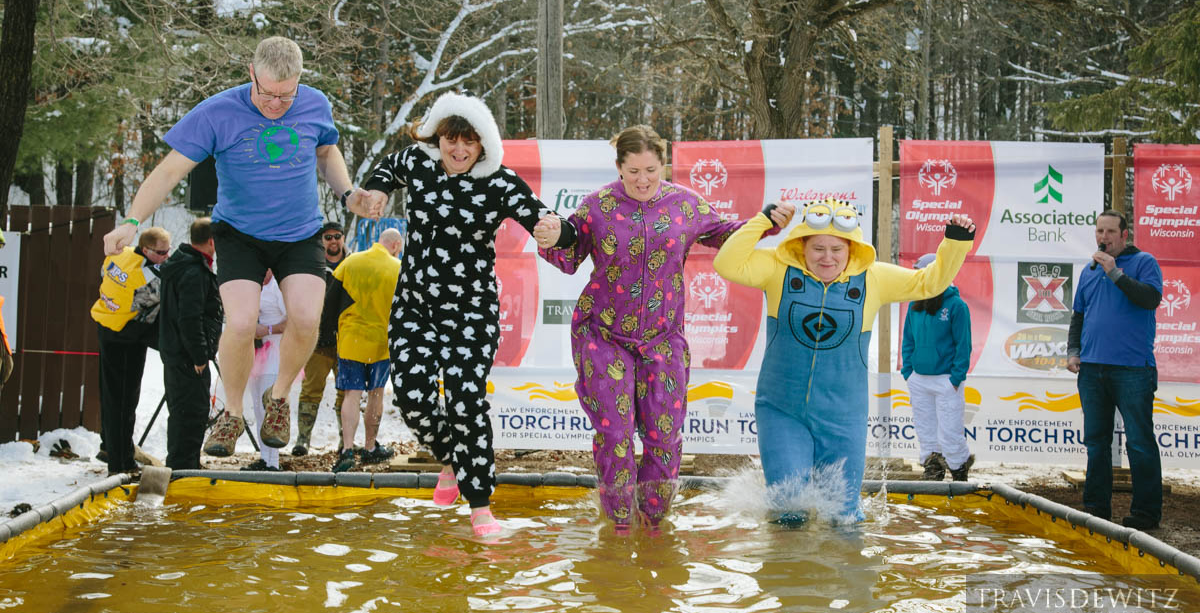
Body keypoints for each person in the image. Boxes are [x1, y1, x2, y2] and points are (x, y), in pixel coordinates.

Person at [101, 37, 364, 457]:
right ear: (251, 74)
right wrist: (132, 221)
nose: (276, 104)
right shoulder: (217, 112)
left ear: (299, 83)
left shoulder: (315, 104)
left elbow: (327, 151)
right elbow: (169, 172)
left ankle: (277, 400)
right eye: (267, 93)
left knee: (306, 316)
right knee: (241, 322)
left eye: (286, 95)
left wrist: (348, 192)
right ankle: (233, 413)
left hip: (299, 232)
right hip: (239, 233)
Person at [535, 124, 785, 533]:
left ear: (663, 164)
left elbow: (725, 234)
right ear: (619, 168)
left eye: (650, 169)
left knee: (663, 439)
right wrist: (549, 237)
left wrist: (765, 222)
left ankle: (654, 524)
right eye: (633, 171)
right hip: (603, 335)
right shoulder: (596, 206)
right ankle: (617, 523)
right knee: (615, 435)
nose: (642, 179)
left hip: (662, 340)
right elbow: (569, 250)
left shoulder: (685, 205)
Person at [354, 91, 574, 536]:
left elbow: (548, 222)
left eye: (468, 143)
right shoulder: (418, 164)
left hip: (471, 312)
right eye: (451, 140)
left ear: (483, 146)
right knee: (414, 401)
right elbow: (385, 171)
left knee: (463, 398)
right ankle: (456, 458)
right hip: (415, 307)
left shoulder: (499, 182)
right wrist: (375, 190)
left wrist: (556, 231)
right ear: (438, 139)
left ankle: (480, 506)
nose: (458, 150)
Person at [713, 198, 975, 523]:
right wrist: (763, 222)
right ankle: (783, 572)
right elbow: (727, 264)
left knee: (843, 518)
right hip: (782, 412)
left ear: (852, 248)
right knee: (788, 510)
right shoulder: (778, 271)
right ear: (801, 246)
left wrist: (954, 243)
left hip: (843, 420)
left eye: (837, 249)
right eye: (818, 248)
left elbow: (929, 282)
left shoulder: (873, 278)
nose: (828, 257)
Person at [1067, 210, 1163, 530]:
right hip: (1092, 369)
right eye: (1099, 231)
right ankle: (1096, 509)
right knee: (1096, 441)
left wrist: (1116, 274)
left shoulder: (1144, 262)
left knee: (1139, 441)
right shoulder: (1088, 270)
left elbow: (1150, 299)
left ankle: (1146, 513)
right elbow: (1078, 316)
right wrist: (1073, 351)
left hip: (1133, 369)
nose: (1103, 237)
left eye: (1110, 231)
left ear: (1125, 235)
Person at [89, 226, 171, 475]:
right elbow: (161, 301)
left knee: (111, 395)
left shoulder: (119, 255)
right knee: (124, 401)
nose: (167, 256)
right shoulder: (149, 279)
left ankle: (111, 447)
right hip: (126, 335)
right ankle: (120, 464)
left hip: (106, 325)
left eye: (169, 250)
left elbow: (104, 271)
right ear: (146, 249)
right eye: (161, 252)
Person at [326, 227, 404, 472]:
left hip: (351, 341)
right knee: (376, 394)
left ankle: (347, 450)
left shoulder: (350, 263)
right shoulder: (398, 269)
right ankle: (370, 448)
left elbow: (331, 302)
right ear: (395, 246)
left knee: (351, 394)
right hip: (381, 344)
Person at [901, 252, 973, 481]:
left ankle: (959, 468)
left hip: (946, 379)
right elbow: (908, 340)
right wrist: (908, 372)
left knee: (951, 428)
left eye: (923, 273)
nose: (919, 277)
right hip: (919, 378)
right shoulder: (916, 304)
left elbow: (964, 345)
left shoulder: (956, 305)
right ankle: (933, 468)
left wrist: (956, 377)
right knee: (925, 427)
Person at [159, 218, 222, 470]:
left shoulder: (184, 264)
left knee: (186, 410)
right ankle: (182, 466)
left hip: (178, 352)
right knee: (191, 412)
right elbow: (190, 317)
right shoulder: (193, 271)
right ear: (211, 241)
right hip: (187, 356)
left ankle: (185, 462)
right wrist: (199, 355)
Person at [292, 220, 348, 456]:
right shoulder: (312, 265)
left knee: (347, 392)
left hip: (348, 340)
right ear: (321, 241)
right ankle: (303, 439)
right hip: (318, 339)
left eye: (337, 236)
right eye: (328, 237)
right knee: (310, 390)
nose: (333, 241)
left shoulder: (355, 264)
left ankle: (347, 441)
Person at [244, 271, 286, 471]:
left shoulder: (277, 287)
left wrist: (267, 329)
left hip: (275, 350)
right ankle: (264, 457)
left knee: (270, 405)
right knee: (258, 406)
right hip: (256, 350)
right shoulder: (251, 284)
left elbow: (292, 321)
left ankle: (273, 461)